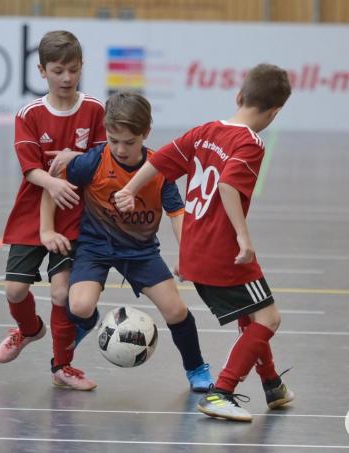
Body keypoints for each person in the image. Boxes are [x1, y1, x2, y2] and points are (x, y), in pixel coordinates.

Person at [114, 63, 294, 421]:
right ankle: (221, 392)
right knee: (268, 318)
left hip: (194, 250)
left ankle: (272, 384)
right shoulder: (250, 142)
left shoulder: (205, 131)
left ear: (239, 96)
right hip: (222, 250)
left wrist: (129, 189)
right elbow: (228, 186)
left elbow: (160, 159)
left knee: (250, 314)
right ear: (274, 112)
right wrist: (244, 237)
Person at [40, 92, 214, 392]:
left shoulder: (159, 169)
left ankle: (197, 368)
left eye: (129, 142)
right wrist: (45, 229)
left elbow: (177, 213)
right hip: (95, 247)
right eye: (113, 140)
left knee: (176, 310)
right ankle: (86, 322)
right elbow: (52, 187)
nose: (120, 149)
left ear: (145, 134)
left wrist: (187, 255)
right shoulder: (93, 161)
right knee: (79, 305)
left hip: (140, 252)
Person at [0, 30, 107, 391]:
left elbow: (102, 159)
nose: (67, 78)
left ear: (81, 67)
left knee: (61, 294)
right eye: (58, 70)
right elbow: (30, 168)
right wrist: (53, 182)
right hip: (33, 210)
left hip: (75, 212)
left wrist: (77, 161)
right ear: (42, 71)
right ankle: (29, 329)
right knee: (14, 290)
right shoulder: (29, 114)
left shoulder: (94, 110)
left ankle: (63, 366)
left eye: (73, 70)